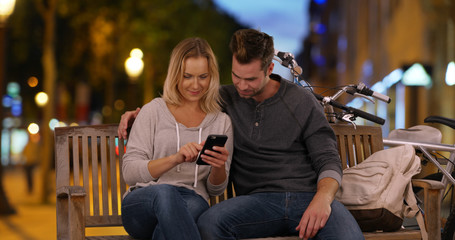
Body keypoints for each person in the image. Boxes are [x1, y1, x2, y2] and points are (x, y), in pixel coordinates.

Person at [118, 29, 363, 240]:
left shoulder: (301, 101)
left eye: (251, 79)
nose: (242, 86)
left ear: (269, 68)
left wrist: (323, 198)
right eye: (236, 76)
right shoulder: (227, 98)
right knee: (208, 224)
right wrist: (138, 112)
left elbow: (328, 158)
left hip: (308, 196)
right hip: (257, 203)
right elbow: (183, 101)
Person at [121, 37, 233, 240]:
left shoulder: (221, 121)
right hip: (144, 202)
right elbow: (129, 173)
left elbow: (215, 189)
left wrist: (218, 167)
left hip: (191, 201)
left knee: (169, 228)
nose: (195, 85)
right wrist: (175, 158)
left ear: (212, 76)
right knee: (166, 194)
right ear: (175, 75)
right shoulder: (153, 111)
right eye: (187, 76)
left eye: (203, 76)